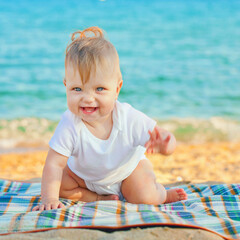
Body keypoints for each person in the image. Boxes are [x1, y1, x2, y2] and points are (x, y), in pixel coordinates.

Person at [32, 26, 187, 211]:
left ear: (117, 89)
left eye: (99, 89)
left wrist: (165, 144)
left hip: (128, 172)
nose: (88, 98)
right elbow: (54, 164)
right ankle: (97, 198)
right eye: (77, 89)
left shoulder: (127, 117)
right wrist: (48, 198)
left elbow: (162, 138)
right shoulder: (70, 123)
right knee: (58, 183)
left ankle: (163, 194)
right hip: (86, 179)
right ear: (66, 85)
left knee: (144, 196)